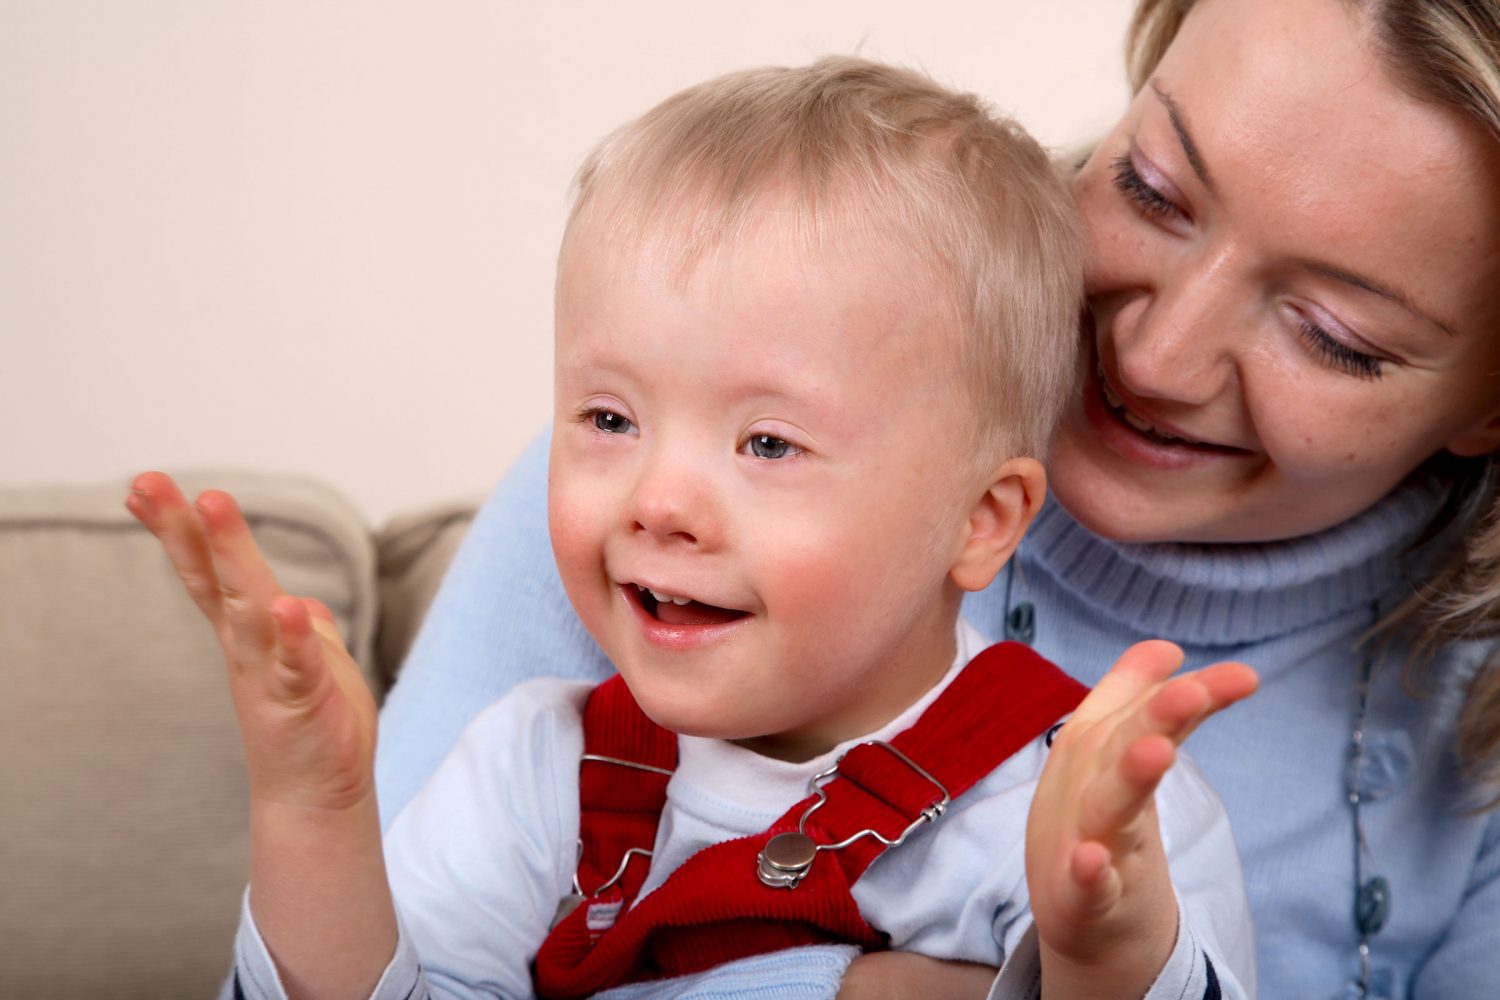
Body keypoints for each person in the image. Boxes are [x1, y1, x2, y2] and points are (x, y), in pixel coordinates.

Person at [364, 0, 1500, 998]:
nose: (1157, 355)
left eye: (1333, 336)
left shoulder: (1466, 720)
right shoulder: (661, 501)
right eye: (1151, 188)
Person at [128, 59, 1258, 999]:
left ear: (980, 519)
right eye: (610, 417)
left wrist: (1100, 942)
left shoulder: (1073, 804)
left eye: (767, 444)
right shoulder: (539, 773)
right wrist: (314, 808)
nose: (656, 502)